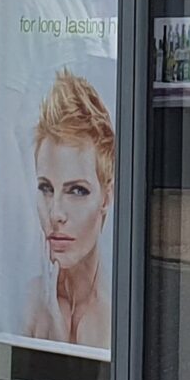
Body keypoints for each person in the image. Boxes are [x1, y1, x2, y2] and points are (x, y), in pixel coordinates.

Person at [22, 68, 114, 351]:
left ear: (106, 198)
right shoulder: (31, 301)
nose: (56, 214)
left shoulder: (120, 312)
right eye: (46, 189)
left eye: (77, 190)